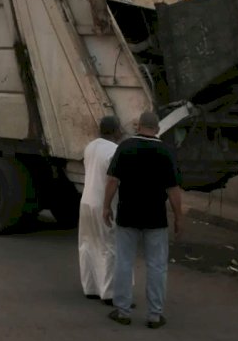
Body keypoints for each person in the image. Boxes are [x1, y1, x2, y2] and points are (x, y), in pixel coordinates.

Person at [102, 110, 182, 329]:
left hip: (127, 215)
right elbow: (173, 190)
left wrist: (106, 206)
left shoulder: (125, 147)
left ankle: (122, 311)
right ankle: (155, 315)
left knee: (124, 262)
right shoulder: (165, 152)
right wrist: (178, 217)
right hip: (156, 219)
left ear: (138, 126)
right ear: (156, 129)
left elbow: (112, 181)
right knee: (157, 266)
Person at [78, 115, 122, 302]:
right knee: (109, 246)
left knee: (87, 244)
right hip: (105, 203)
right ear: (116, 131)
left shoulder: (90, 147)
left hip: (86, 201)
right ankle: (109, 293)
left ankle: (90, 287)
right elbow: (115, 179)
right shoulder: (115, 150)